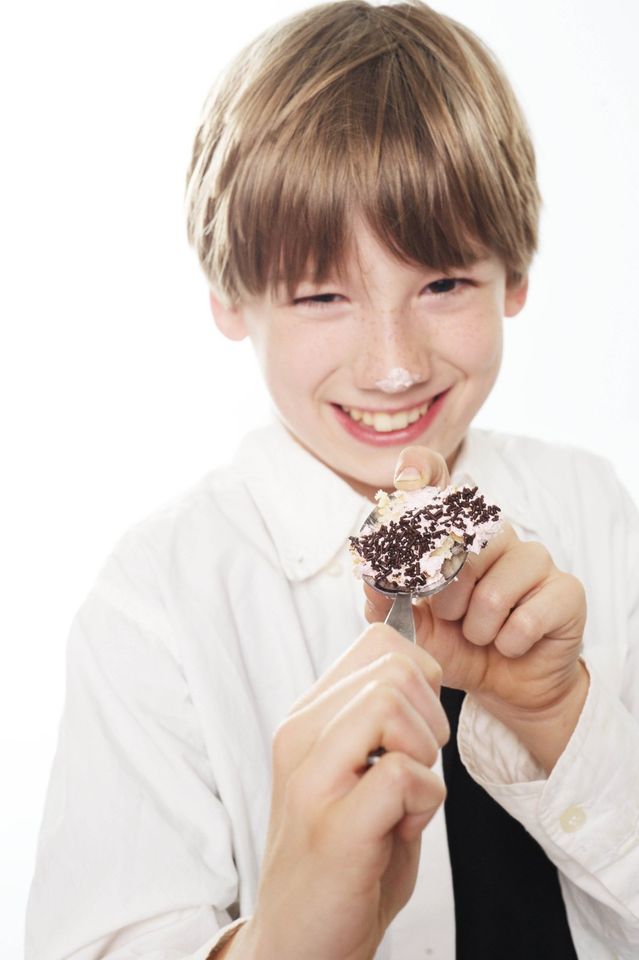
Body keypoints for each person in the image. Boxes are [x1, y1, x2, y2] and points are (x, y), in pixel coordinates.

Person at [25, 2, 639, 958]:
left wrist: (560, 719)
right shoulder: (158, 607)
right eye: (322, 296)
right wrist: (285, 940)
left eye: (441, 285)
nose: (392, 366)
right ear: (232, 296)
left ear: (514, 274)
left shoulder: (596, 513)